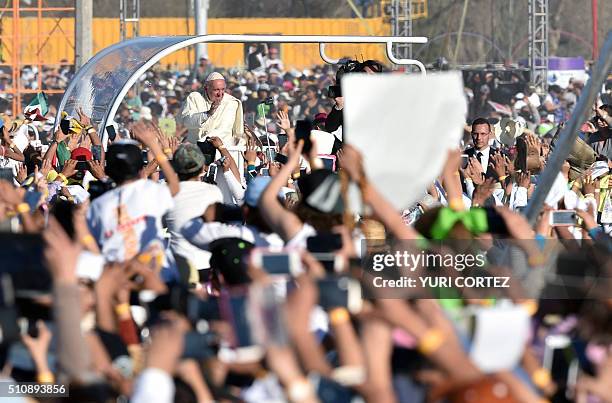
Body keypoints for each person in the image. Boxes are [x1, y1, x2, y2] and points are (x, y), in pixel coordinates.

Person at [86, 121, 180, 282]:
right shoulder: (150, 191)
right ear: (139, 168)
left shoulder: (98, 204)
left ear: (109, 169)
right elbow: (174, 186)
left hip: (117, 281)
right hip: (156, 277)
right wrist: (156, 147)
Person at [163, 143, 223, 285]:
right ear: (202, 168)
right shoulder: (213, 191)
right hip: (206, 265)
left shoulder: (167, 193)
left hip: (178, 266)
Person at [178, 72, 245, 146]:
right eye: (216, 90)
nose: (220, 94)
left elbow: (238, 133)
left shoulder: (232, 103)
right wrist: (207, 114)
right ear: (206, 88)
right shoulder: (194, 98)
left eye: (223, 89)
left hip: (223, 151)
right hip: (198, 149)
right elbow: (187, 122)